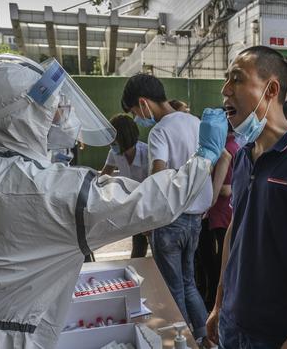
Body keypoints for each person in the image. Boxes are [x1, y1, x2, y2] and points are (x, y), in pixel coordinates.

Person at [0, 54, 227, 348]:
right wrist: (204, 157)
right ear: (20, 117)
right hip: (0, 340)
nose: (62, 114)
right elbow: (148, 202)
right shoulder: (43, 188)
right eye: (51, 108)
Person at [206, 46, 287, 349]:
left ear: (272, 89)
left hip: (280, 332)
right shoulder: (242, 157)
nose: (225, 90)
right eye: (227, 80)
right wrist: (219, 303)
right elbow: (234, 232)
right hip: (233, 322)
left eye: (237, 79)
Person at [121, 74, 213, 342]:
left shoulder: (160, 131)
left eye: (135, 112)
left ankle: (183, 341)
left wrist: (149, 219)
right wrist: (211, 195)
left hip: (171, 220)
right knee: (189, 283)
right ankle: (205, 338)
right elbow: (218, 160)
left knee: (173, 290)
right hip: (196, 219)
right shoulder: (196, 123)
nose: (138, 118)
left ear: (143, 103)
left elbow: (158, 174)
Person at [198, 121, 240, 310]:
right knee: (217, 259)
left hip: (222, 214)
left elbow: (226, 189)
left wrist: (207, 198)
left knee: (220, 260)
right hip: (220, 213)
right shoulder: (230, 147)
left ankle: (216, 300)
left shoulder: (227, 150)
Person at [100, 113, 151, 258]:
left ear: (124, 137)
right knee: (138, 247)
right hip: (133, 205)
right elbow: (104, 176)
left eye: (114, 140)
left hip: (150, 204)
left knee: (156, 245)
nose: (111, 144)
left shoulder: (147, 153)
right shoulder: (115, 152)